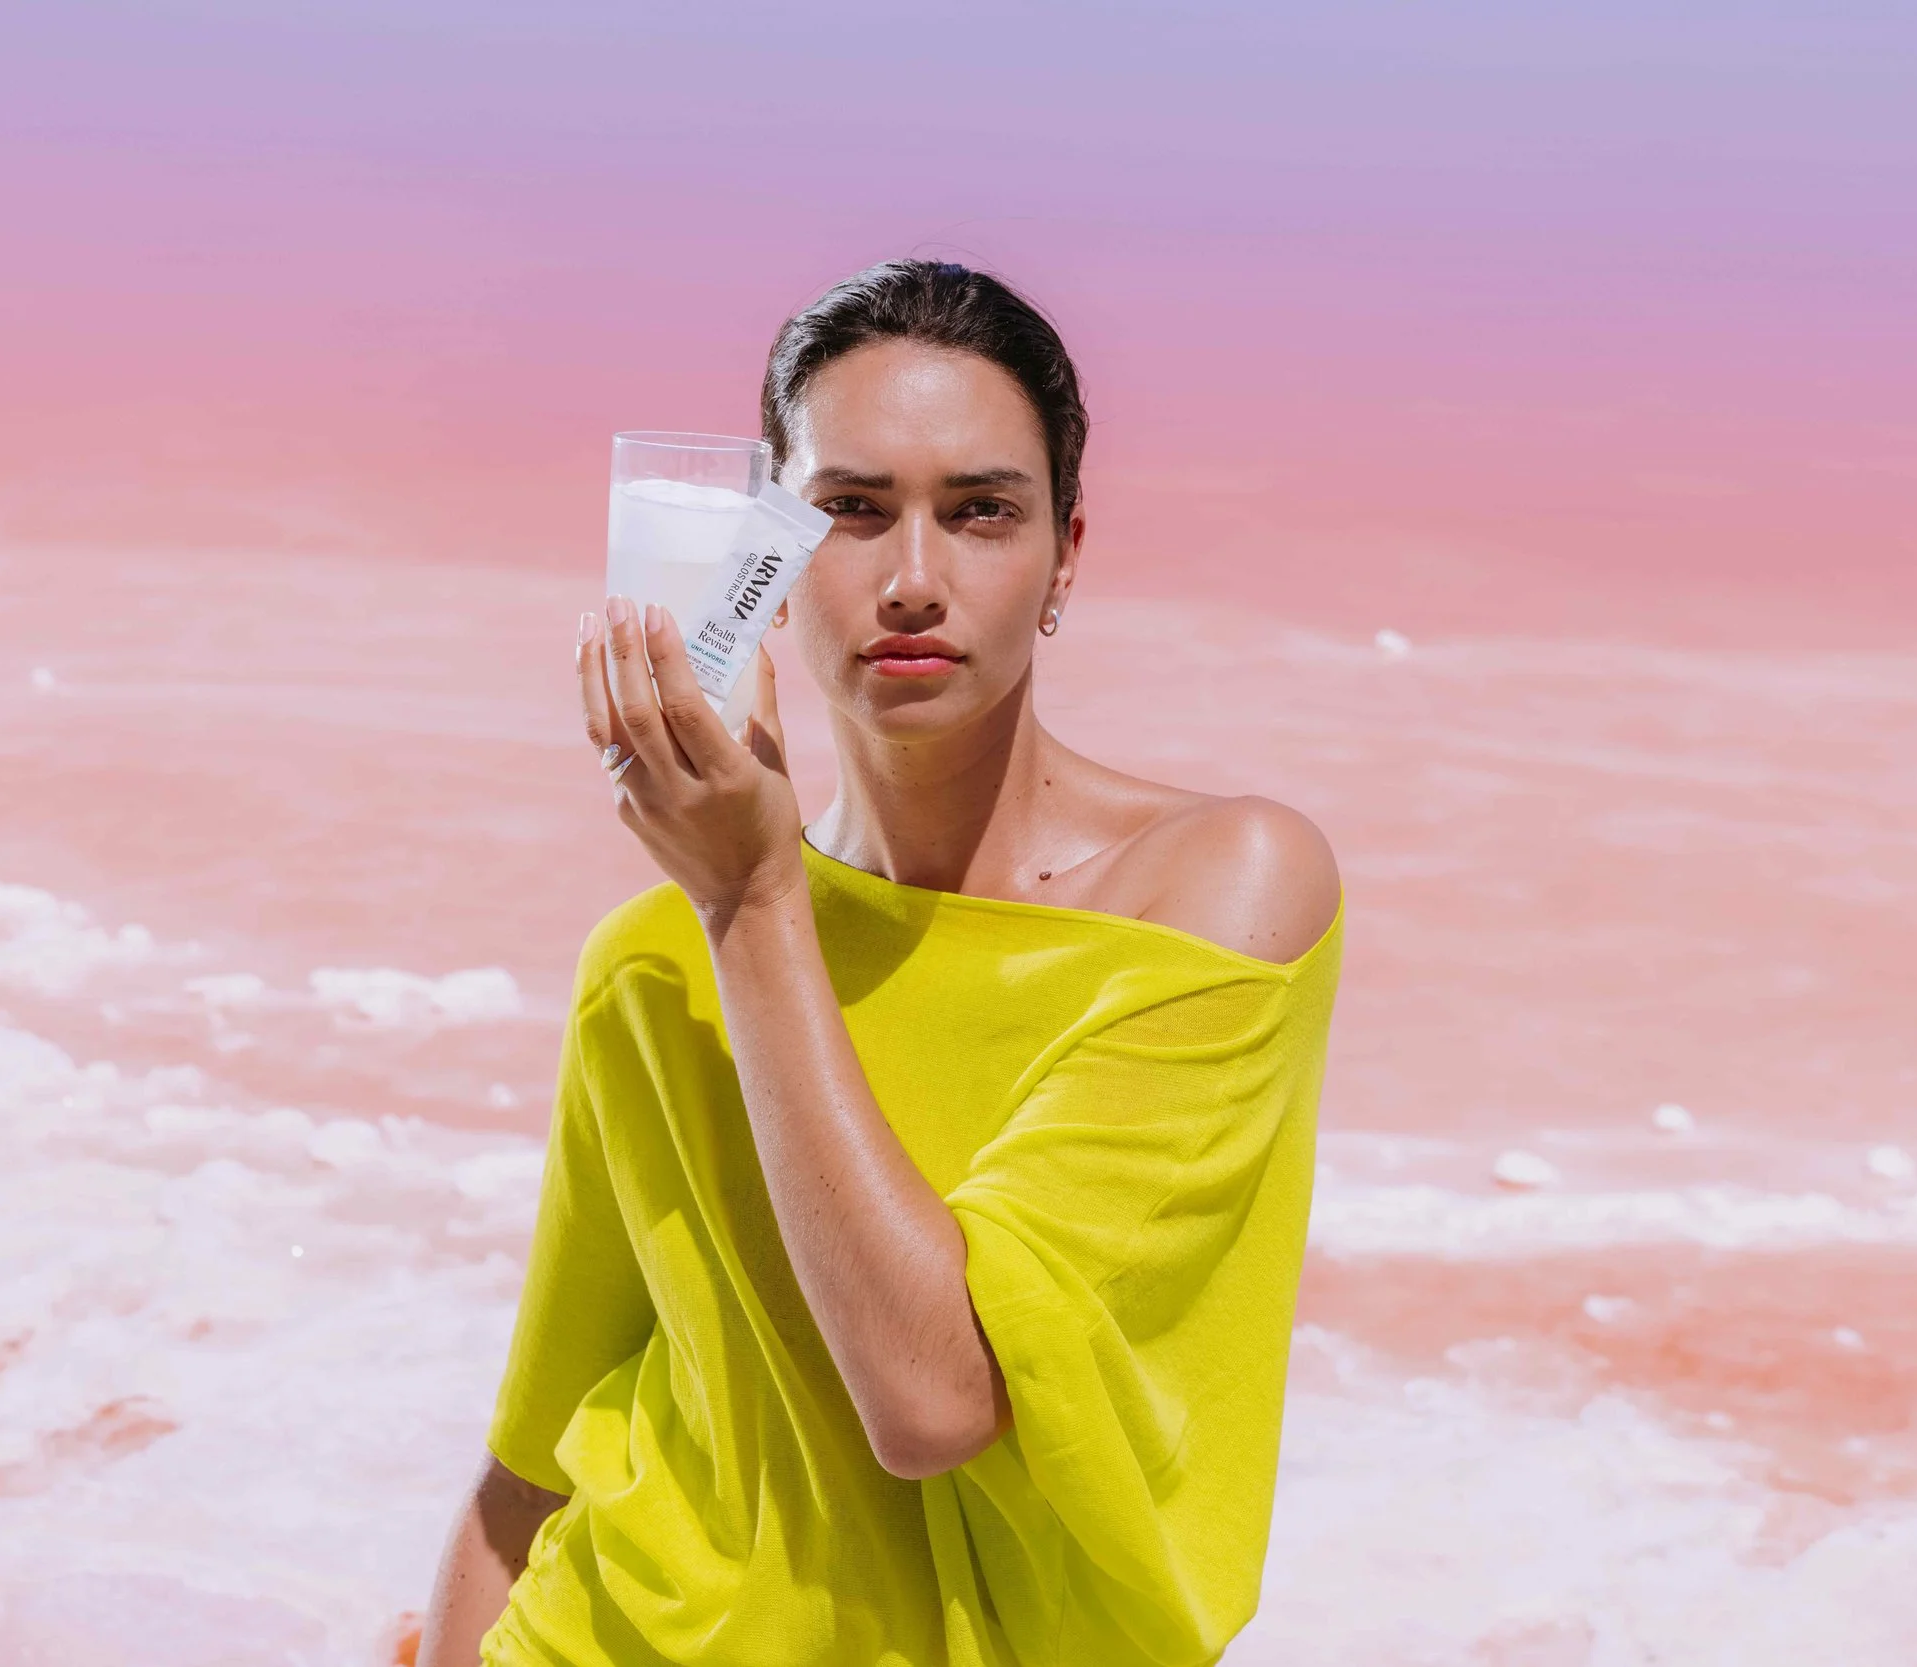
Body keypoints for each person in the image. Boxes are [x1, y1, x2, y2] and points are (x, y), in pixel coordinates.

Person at [417, 260, 1343, 1667]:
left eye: (981, 511)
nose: (914, 579)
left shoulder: (1221, 890)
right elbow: (529, 1464)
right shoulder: (659, 958)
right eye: (850, 510)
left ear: (1065, 555)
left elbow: (932, 1397)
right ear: (767, 553)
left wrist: (752, 893)